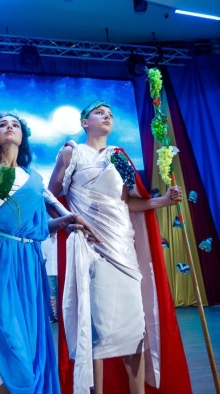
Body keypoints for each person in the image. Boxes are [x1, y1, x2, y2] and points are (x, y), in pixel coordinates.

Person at [47, 101, 192, 394]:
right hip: (93, 251)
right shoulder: (71, 152)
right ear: (85, 122)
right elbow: (51, 197)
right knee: (97, 332)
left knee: (134, 330)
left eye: (110, 114)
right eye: (99, 113)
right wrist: (68, 223)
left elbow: (128, 203)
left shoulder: (119, 157)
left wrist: (164, 200)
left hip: (123, 251)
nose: (107, 116)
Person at [0, 112, 94, 394]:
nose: (9, 127)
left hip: (29, 265)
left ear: (23, 137)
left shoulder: (33, 180)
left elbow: (37, 229)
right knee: (10, 347)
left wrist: (61, 222)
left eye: (15, 125)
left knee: (28, 347)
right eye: (2, 125)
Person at [41, 232, 58, 323]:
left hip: (61, 269)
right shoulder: (44, 240)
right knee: (52, 292)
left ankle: (62, 314)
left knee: (62, 291)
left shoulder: (61, 238)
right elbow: (43, 256)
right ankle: (54, 315)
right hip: (50, 270)